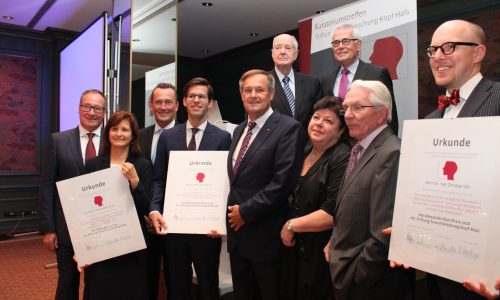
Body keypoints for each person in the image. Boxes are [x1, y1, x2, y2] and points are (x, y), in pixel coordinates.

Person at [391, 19, 500, 300]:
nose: (437, 56)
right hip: (438, 273)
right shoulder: (432, 118)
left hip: (486, 277)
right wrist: (410, 226)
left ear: (478, 53)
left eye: (449, 47)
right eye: (433, 49)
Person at [326, 80, 409, 300]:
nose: (348, 115)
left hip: (368, 284)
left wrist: (359, 276)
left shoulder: (392, 153)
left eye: (358, 107)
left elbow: (383, 233)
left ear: (381, 115)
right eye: (347, 108)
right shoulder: (360, 148)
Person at [149, 77, 231, 300]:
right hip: (173, 226)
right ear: (183, 101)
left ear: (210, 103)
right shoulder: (167, 137)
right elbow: (159, 180)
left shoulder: (223, 138)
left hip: (207, 230)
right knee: (177, 286)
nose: (196, 100)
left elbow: (226, 184)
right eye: (192, 96)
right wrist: (155, 209)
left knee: (208, 285)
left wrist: (220, 220)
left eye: (202, 96)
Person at [226, 69, 306, 300]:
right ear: (241, 95)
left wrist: (246, 212)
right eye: (247, 90)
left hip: (265, 237)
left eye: (259, 89)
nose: (253, 95)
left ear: (271, 93)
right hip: (237, 238)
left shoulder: (289, 128)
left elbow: (283, 182)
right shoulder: (239, 129)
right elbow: (237, 182)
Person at [280, 96, 350, 300]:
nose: (318, 123)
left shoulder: (342, 157)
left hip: (320, 255)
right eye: (316, 117)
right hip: (294, 252)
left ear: (341, 130)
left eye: (328, 121)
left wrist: (290, 226)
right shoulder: (304, 151)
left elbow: (332, 212)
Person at [40, 89, 106, 299]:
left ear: (104, 112)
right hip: (67, 228)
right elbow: (47, 186)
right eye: (87, 106)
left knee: (97, 283)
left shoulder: (113, 141)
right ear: (79, 108)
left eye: (97, 108)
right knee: (67, 283)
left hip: (101, 227)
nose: (92, 112)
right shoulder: (58, 140)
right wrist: (49, 229)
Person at [83, 111, 153, 300]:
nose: (119, 134)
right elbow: (84, 209)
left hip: (131, 244)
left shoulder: (143, 165)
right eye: (114, 129)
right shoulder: (93, 165)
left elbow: (146, 208)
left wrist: (135, 182)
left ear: (132, 135)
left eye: (125, 129)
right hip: (101, 244)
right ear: (107, 133)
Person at [138, 82, 179, 299]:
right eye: (158, 102)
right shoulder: (138, 136)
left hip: (176, 219)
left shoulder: (187, 135)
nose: (163, 106)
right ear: (150, 105)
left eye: (168, 102)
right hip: (145, 218)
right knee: (146, 277)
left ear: (177, 106)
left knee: (175, 277)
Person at [320, 24, 399, 135]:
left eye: (346, 41)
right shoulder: (326, 80)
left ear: (358, 45)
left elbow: (390, 117)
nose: (340, 46)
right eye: (336, 43)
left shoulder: (377, 74)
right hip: (335, 147)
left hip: (368, 143)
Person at [270, 33, 321, 129]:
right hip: (273, 142)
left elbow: (317, 115)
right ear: (272, 53)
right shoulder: (262, 81)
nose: (282, 52)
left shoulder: (312, 83)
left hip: (305, 141)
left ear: (296, 54)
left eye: (288, 48)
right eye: (278, 48)